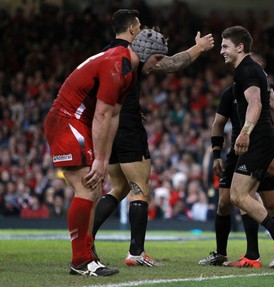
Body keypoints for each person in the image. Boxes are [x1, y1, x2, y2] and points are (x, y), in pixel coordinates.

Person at [44, 10, 167, 276]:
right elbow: (101, 114)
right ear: (145, 52)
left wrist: (104, 156)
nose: (158, 65)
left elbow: (113, 117)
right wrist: (99, 160)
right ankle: (80, 261)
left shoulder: (129, 72)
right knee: (87, 189)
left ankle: (86, 257)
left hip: (75, 122)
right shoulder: (118, 64)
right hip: (67, 120)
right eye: (157, 58)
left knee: (94, 189)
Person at [91, 10, 214, 267]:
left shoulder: (105, 53)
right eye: (138, 26)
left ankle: (85, 239)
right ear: (132, 29)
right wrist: (199, 48)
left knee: (119, 187)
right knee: (140, 188)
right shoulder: (133, 54)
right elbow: (170, 64)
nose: (141, 29)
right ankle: (136, 253)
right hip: (127, 127)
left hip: (107, 129)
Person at [199, 52, 274, 268]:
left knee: (271, 205)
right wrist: (217, 155)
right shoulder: (232, 93)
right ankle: (227, 253)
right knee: (226, 202)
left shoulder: (273, 93)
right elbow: (217, 124)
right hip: (238, 152)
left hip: (263, 150)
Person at [217, 26, 274, 268]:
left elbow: (255, 104)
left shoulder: (246, 70)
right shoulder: (258, 72)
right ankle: (259, 252)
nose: (221, 51)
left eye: (225, 46)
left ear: (240, 47)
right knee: (242, 196)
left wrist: (245, 132)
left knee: (238, 195)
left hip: (257, 139)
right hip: (266, 139)